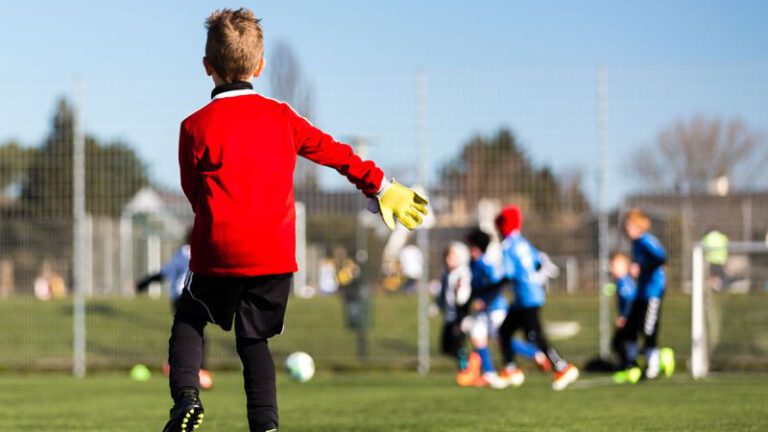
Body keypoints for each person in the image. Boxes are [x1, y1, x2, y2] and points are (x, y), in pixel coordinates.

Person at [162, 8, 428, 432]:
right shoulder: (282, 117)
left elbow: (193, 191)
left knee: (190, 316)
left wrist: (218, 222)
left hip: (219, 248)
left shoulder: (194, 126)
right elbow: (334, 152)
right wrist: (380, 186)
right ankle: (266, 427)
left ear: (207, 66)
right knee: (254, 341)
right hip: (274, 254)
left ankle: (187, 398)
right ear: (260, 66)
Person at [495, 205, 579, 391]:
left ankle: (562, 367)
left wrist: (492, 289)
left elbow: (508, 274)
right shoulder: (523, 242)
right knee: (505, 331)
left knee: (534, 336)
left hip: (526, 297)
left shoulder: (507, 246)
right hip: (530, 295)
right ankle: (511, 370)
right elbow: (539, 261)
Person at [457, 228, 549, 389]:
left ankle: (536, 354)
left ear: (477, 247)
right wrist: (466, 307)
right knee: (477, 336)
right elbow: (474, 289)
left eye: (471, 246)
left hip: (496, 308)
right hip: (483, 311)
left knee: (501, 339)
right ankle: (489, 374)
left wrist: (485, 300)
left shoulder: (486, 265)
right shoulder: (473, 264)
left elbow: (498, 286)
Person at [136, 231, 214, 390]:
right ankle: (195, 371)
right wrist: (144, 283)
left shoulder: (198, 253)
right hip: (183, 297)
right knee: (194, 335)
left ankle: (180, 366)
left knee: (192, 334)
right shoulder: (186, 254)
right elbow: (164, 272)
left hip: (192, 298)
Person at [617, 209, 672, 380]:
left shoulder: (647, 241)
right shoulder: (635, 244)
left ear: (638, 226)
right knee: (630, 328)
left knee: (648, 329)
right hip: (640, 293)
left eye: (628, 225)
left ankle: (653, 364)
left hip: (652, 293)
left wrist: (642, 267)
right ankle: (632, 364)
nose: (626, 229)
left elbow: (661, 258)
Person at [436, 243, 472, 372]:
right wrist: (437, 306)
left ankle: (466, 368)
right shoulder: (446, 275)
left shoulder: (463, 273)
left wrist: (461, 318)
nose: (448, 261)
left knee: (458, 344)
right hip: (450, 316)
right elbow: (443, 295)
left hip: (460, 315)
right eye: (447, 258)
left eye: (451, 258)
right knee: (446, 347)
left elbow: (464, 297)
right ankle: (468, 364)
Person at [607, 252, 640, 383]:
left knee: (620, 342)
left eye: (614, 265)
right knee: (624, 343)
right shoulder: (621, 282)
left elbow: (630, 299)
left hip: (630, 317)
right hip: (631, 317)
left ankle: (631, 367)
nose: (611, 269)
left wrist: (624, 317)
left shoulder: (624, 282)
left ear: (624, 267)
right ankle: (628, 367)